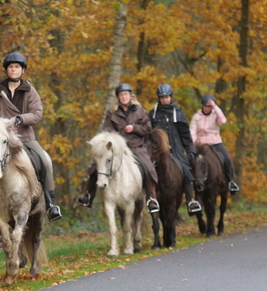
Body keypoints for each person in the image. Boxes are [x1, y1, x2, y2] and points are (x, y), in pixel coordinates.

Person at [0, 52, 62, 223]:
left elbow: (37, 113)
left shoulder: (30, 91)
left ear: (22, 70)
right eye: (11, 67)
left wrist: (20, 119)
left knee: (45, 161)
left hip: (25, 137)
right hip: (1, 138)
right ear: (6, 70)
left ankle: (51, 203)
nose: (13, 69)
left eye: (17, 67)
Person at [78, 83, 160, 214]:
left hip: (136, 147)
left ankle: (152, 198)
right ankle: (87, 194)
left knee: (148, 167)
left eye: (126, 94)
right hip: (117, 148)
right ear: (118, 97)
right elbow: (107, 130)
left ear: (130, 96)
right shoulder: (112, 113)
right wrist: (115, 138)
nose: (123, 97)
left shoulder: (140, 111)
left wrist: (134, 128)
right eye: (121, 95)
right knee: (96, 166)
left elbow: (148, 129)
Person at [147, 84, 202, 216]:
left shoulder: (178, 113)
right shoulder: (153, 114)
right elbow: (148, 133)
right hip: (158, 151)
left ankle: (190, 200)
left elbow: (185, 135)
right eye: (162, 98)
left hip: (176, 149)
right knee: (147, 170)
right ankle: (150, 200)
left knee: (187, 168)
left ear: (171, 97)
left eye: (167, 97)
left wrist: (190, 150)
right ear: (159, 98)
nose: (165, 100)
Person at [189, 93, 240, 194]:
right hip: (201, 144)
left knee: (227, 159)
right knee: (190, 160)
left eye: (209, 106)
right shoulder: (196, 116)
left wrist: (215, 107)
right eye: (205, 106)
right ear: (202, 105)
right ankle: (188, 184)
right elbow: (192, 131)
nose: (207, 108)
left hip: (215, 142)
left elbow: (223, 121)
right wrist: (195, 142)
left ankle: (231, 182)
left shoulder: (215, 114)